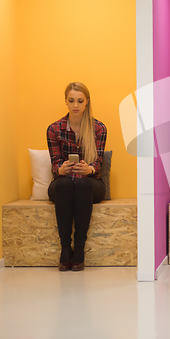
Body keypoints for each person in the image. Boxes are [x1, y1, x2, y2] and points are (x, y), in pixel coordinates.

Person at [47, 82, 107, 271]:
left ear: (87, 102)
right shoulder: (54, 129)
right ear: (65, 101)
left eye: (80, 101)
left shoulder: (98, 128)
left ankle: (79, 248)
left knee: (81, 186)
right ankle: (66, 248)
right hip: (63, 182)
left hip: (90, 183)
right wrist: (60, 169)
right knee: (65, 185)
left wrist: (89, 169)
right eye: (71, 101)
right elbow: (55, 160)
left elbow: (98, 162)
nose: (75, 105)